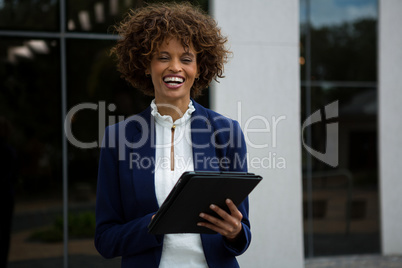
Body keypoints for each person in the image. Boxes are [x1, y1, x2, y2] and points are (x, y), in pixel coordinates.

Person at [95, 3, 251, 268]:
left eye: (186, 59)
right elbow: (106, 240)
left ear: (199, 68)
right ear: (146, 64)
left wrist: (235, 231)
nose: (175, 67)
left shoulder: (226, 132)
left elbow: (243, 234)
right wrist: (155, 224)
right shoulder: (117, 138)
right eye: (163, 57)